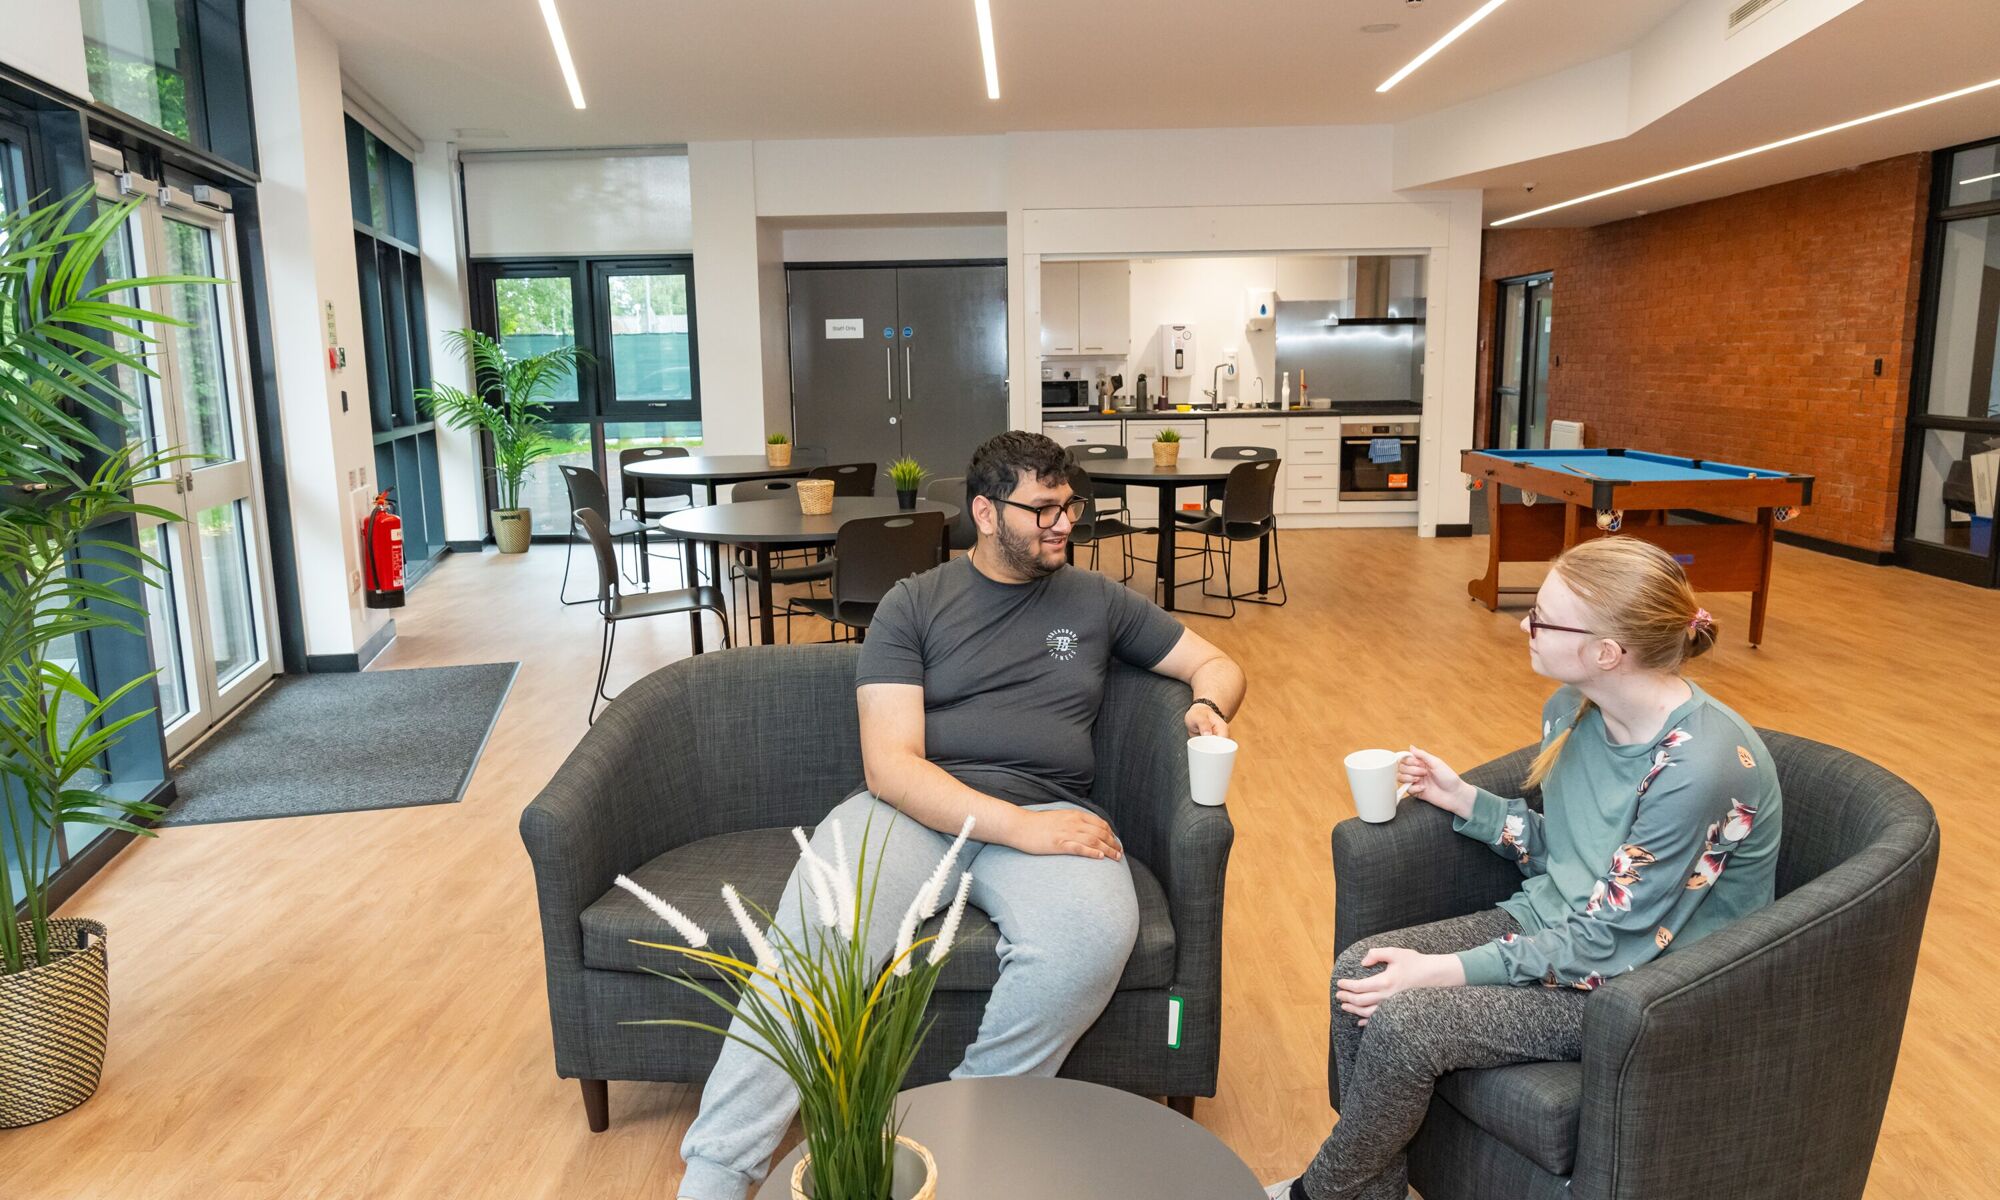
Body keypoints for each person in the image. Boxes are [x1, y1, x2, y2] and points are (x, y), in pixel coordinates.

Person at [677, 430, 1247, 1200]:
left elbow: (1217, 661)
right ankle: (715, 1173)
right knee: (816, 937)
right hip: (916, 811)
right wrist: (1015, 827)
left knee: (1090, 937)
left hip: (1049, 808)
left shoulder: (1096, 599)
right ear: (985, 511)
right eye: (1043, 508)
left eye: (1069, 505)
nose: (1064, 522)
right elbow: (890, 765)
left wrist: (1208, 704)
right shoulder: (913, 603)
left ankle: (951, 1139)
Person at [1267, 536, 1782, 1200]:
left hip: (1637, 988)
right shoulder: (1573, 709)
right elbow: (1571, 853)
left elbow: (1608, 943)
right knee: (1360, 972)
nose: (1523, 625)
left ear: (1606, 652)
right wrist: (1465, 801)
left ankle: (1321, 1193)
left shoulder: (1698, 768)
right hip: (1560, 933)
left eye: (1542, 617)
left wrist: (1440, 971)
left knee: (1405, 1016)